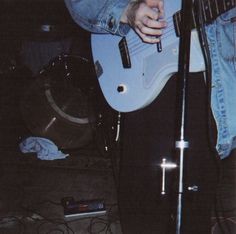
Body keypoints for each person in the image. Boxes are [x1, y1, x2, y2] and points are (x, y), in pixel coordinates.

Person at [64, 0, 236, 233]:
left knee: (196, 204)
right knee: (145, 204)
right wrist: (126, 10)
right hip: (147, 85)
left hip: (212, 86)